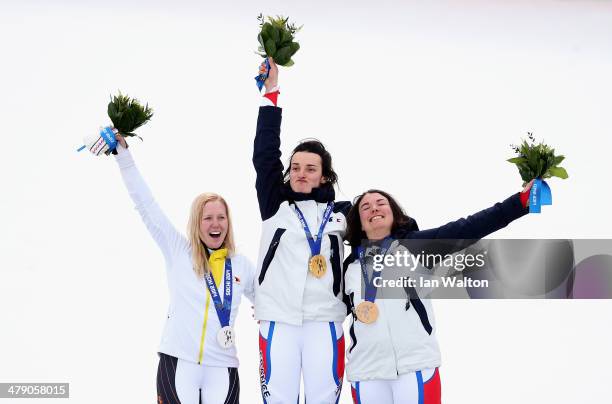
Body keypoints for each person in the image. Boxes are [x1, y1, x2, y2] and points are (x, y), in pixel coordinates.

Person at [343, 183, 535, 404]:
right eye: (365, 207)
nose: (374, 209)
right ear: (358, 223)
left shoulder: (417, 247)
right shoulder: (349, 266)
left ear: (394, 214)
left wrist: (519, 203)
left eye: (380, 203)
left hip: (415, 367)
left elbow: (468, 228)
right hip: (366, 374)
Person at [110, 134, 255, 404]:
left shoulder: (242, 265)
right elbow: (146, 205)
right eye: (208, 217)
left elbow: (269, 301)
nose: (216, 224)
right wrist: (123, 156)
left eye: (221, 217)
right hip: (178, 363)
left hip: (222, 367)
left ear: (229, 222)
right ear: (196, 223)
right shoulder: (179, 251)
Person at [253, 58, 351, 403]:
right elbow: (265, 156)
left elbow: (387, 230)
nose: (301, 173)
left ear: (324, 176)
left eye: (310, 168)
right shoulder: (274, 206)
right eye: (295, 167)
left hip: (325, 323)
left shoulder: (342, 214)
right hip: (278, 321)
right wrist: (271, 94)